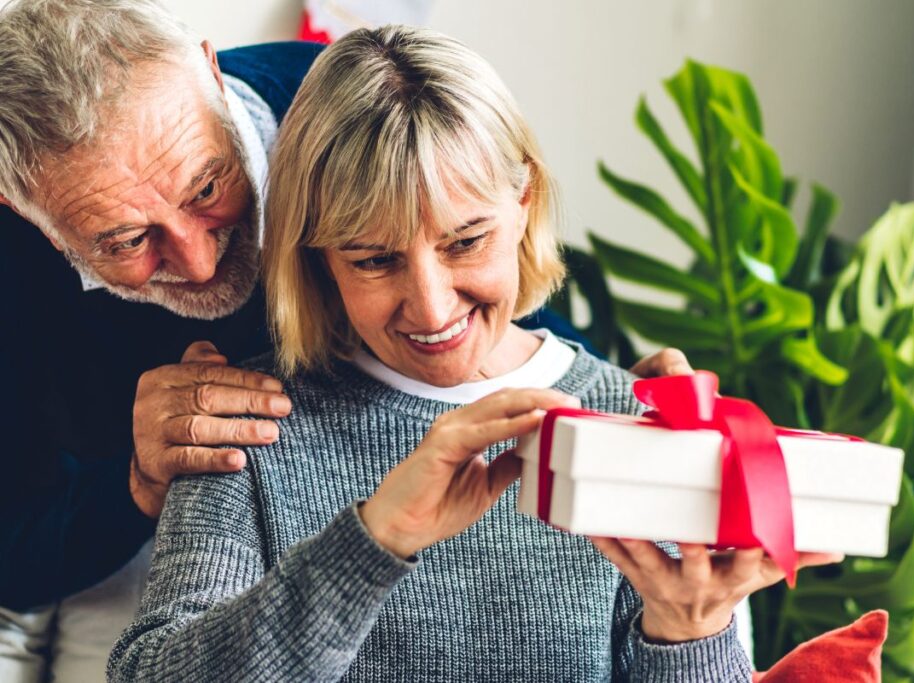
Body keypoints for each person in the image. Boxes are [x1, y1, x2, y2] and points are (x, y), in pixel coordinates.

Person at [108, 25, 838, 682]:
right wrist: (373, 538)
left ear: (525, 197)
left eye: (465, 242)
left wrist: (690, 633)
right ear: (318, 257)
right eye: (372, 260)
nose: (430, 307)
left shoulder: (630, 424)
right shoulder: (244, 426)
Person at [0, 2, 686, 679]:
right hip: (133, 546)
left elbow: (483, 282)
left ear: (210, 76)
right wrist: (139, 479)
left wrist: (608, 391)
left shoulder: (348, 102)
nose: (200, 263)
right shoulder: (20, 274)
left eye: (207, 186)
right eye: (125, 241)